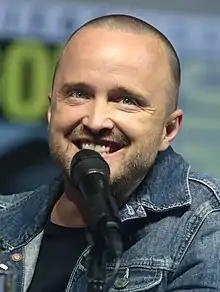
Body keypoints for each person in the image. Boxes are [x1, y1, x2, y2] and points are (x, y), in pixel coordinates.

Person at [1, 14, 220, 292]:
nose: (95, 121)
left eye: (127, 101)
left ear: (169, 129)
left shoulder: (207, 227)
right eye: (79, 94)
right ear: (51, 111)